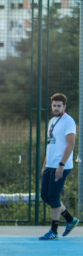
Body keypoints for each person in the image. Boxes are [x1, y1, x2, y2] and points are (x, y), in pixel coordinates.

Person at [39, 92, 79, 240]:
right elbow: (51, 145)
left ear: (64, 106)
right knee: (45, 196)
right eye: (54, 105)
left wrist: (61, 165)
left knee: (54, 197)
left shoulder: (68, 121)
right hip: (50, 164)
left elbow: (71, 144)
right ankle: (70, 219)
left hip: (61, 165)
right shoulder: (51, 121)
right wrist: (45, 164)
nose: (56, 108)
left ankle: (53, 231)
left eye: (59, 106)